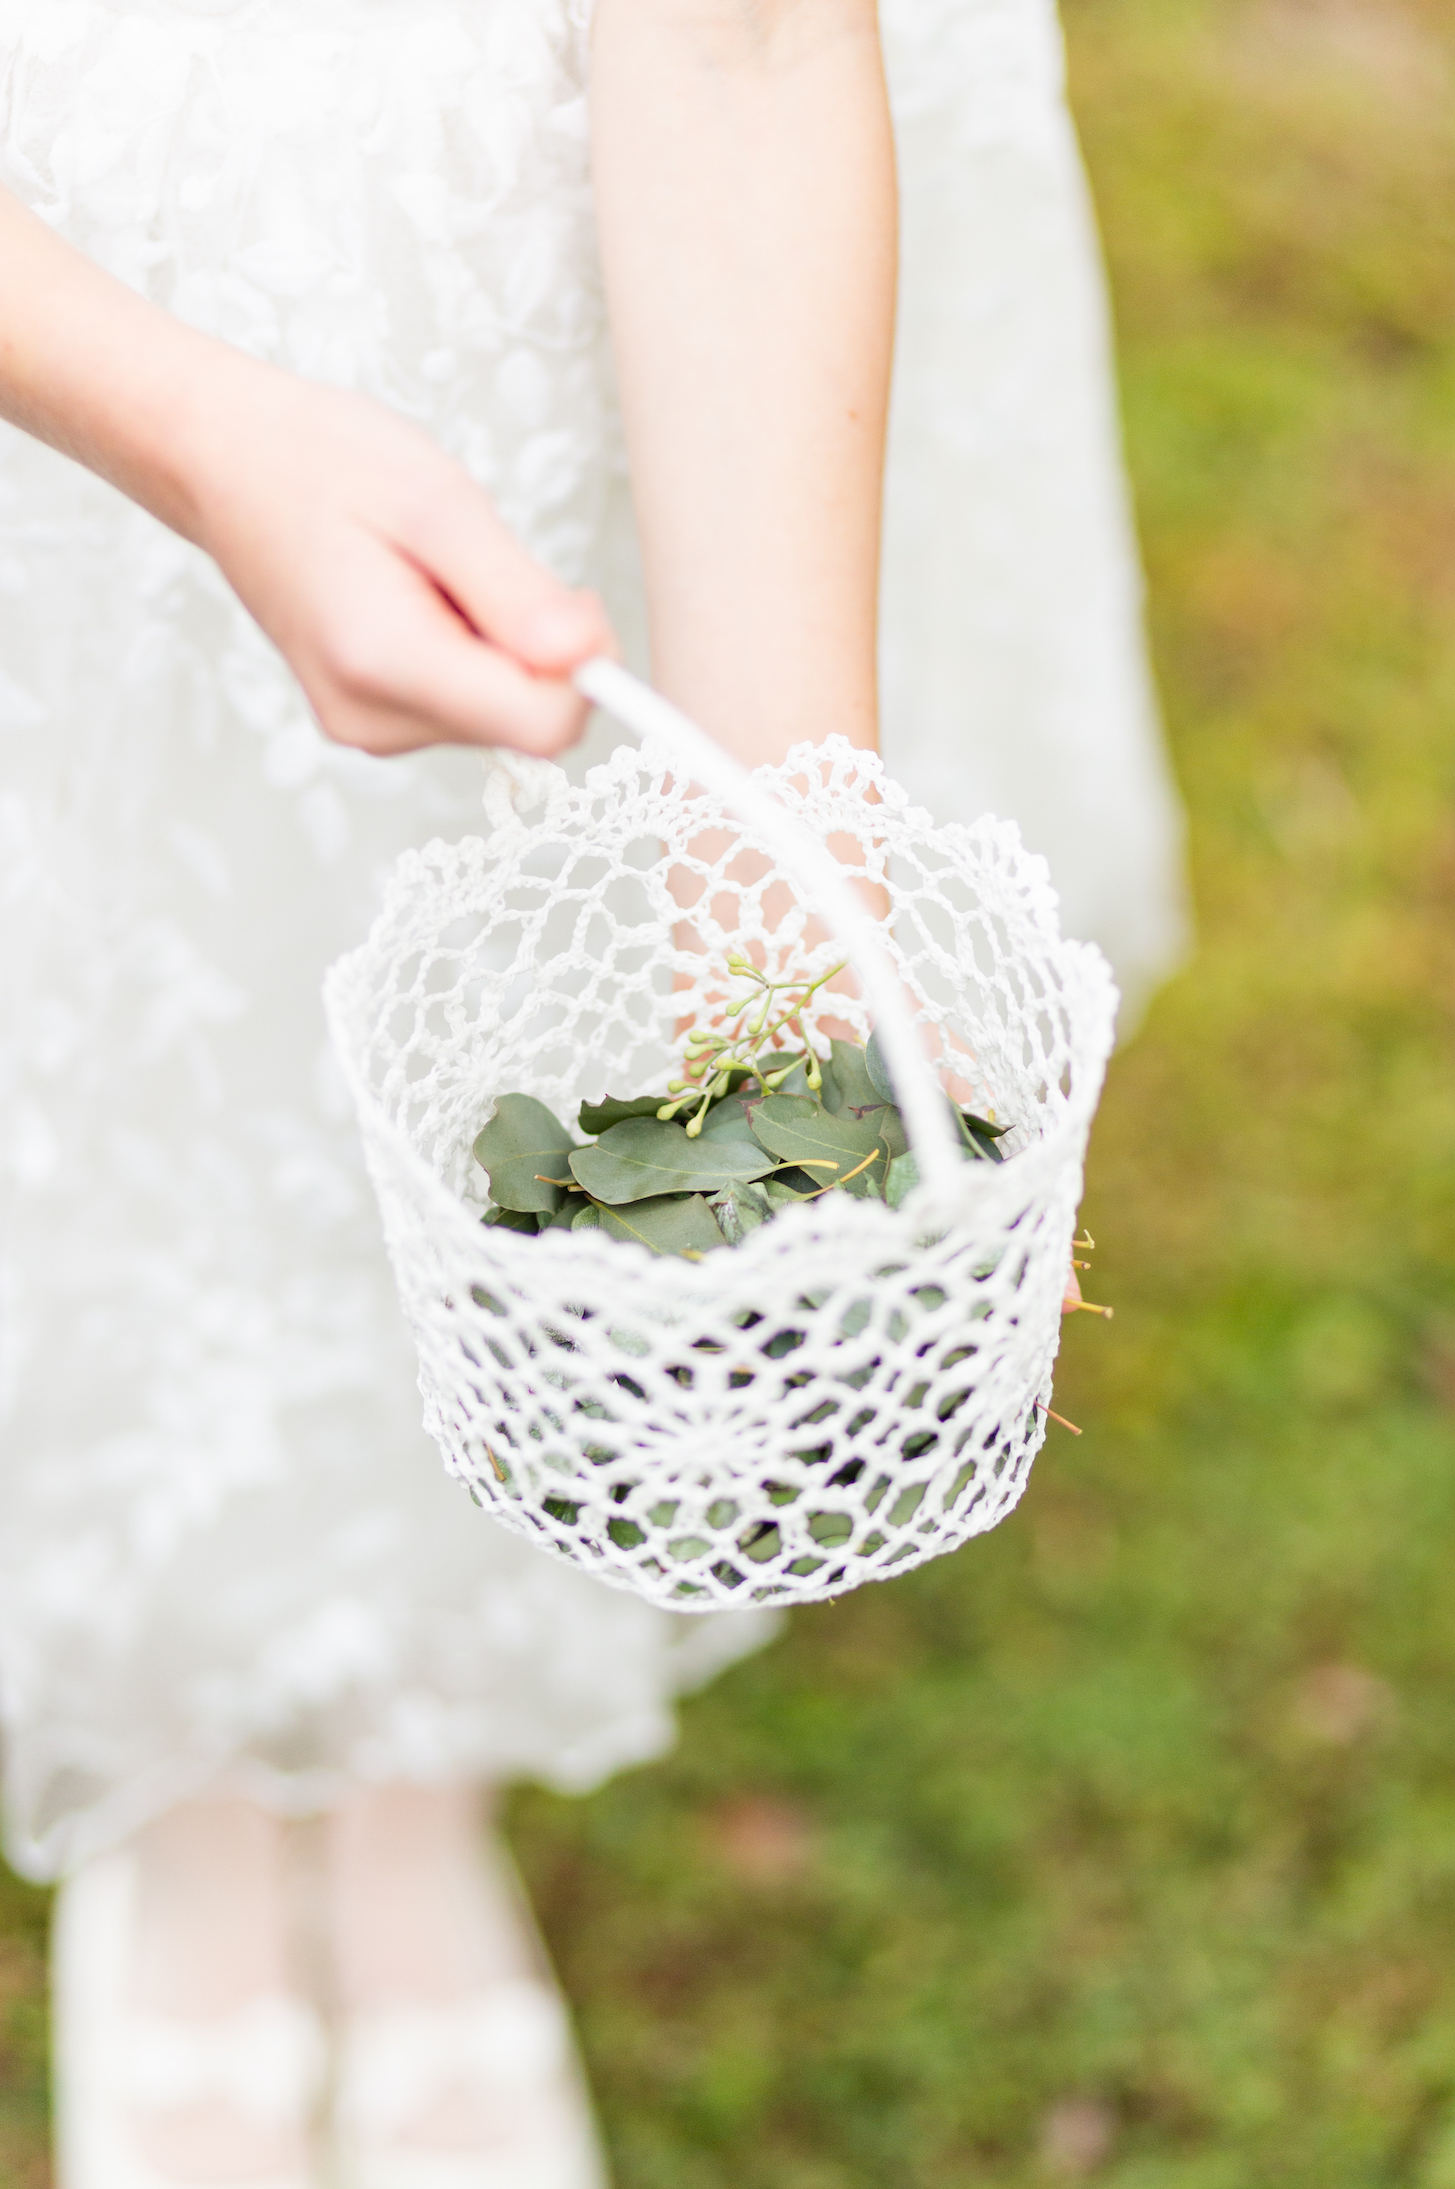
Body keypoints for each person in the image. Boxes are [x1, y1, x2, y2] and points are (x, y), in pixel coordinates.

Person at [0, 0, 1186, 2181]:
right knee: (105, 971)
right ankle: (185, 1813)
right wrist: (175, 418)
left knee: (525, 1027)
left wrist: (778, 885)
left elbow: (745, 38)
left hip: (604, 214)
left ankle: (410, 1796)